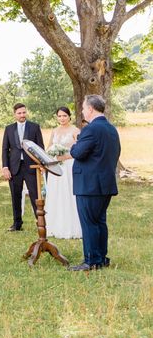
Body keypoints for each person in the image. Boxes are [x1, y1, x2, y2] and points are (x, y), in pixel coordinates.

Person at [68, 95, 121, 272]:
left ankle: (91, 261)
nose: (82, 111)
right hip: (104, 183)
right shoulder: (111, 129)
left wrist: (74, 145)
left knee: (89, 223)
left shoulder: (91, 130)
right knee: (99, 222)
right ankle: (101, 258)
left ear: (90, 109)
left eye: (83, 108)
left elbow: (78, 152)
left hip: (89, 185)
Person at [2, 103, 45, 231]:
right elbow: (5, 149)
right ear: (15, 114)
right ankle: (17, 224)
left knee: (35, 195)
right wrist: (5, 167)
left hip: (31, 166)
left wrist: (41, 164)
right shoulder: (9, 129)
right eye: (19, 113)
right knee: (15, 195)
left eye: (24, 112)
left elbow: (40, 147)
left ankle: (40, 221)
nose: (22, 115)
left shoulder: (34, 127)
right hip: (14, 167)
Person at [44, 106, 82, 239]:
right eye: (59, 116)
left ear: (69, 117)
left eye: (64, 116)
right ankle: (55, 225)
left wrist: (66, 156)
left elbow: (81, 150)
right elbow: (49, 147)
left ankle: (72, 226)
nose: (62, 118)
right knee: (56, 194)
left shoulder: (75, 130)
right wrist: (47, 158)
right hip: (55, 167)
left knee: (68, 193)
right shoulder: (54, 131)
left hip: (68, 166)